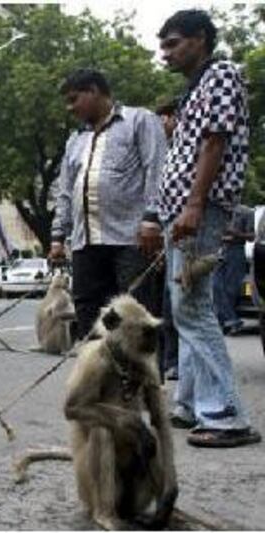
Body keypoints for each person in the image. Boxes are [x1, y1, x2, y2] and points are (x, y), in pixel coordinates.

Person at [157, 9, 260, 447]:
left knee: (193, 308)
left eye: (173, 43)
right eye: (163, 46)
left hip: (199, 209)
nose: (166, 54)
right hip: (180, 210)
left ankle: (227, 414)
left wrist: (195, 203)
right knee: (185, 306)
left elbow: (215, 142)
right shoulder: (193, 88)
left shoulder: (221, 76)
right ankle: (189, 403)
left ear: (200, 38)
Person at [49, 69, 168, 339]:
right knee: (89, 316)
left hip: (130, 240)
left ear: (94, 91)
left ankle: (141, 381)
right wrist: (58, 236)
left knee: (135, 318)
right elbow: (65, 192)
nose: (70, 108)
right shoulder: (76, 140)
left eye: (73, 99)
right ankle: (98, 379)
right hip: (85, 243)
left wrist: (152, 219)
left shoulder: (140, 120)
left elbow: (157, 171)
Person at [155, 100, 181, 380]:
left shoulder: (185, 150)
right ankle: (166, 362)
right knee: (165, 307)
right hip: (164, 239)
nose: (160, 125)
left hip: (181, 235)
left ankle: (177, 363)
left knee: (181, 309)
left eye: (163, 118)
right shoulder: (165, 152)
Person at [212, 204, 255, 335]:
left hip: (236, 251)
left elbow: (252, 236)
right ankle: (233, 320)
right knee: (215, 285)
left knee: (231, 289)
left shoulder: (246, 212)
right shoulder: (216, 210)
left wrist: (237, 234)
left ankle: (224, 323)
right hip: (218, 249)